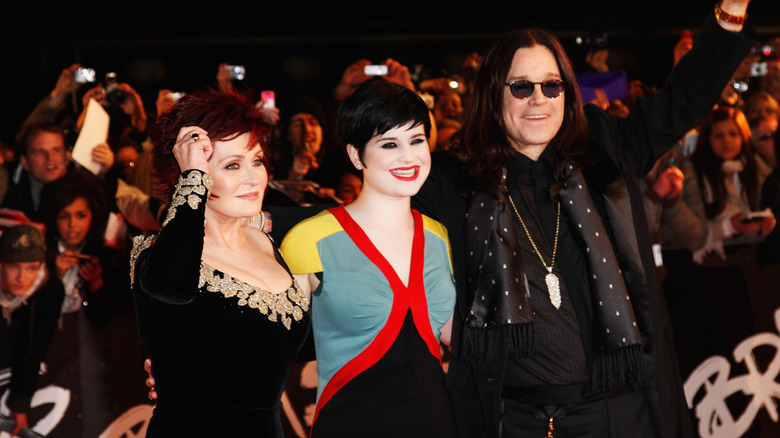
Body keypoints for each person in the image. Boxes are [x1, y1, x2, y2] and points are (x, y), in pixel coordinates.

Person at [408, 2, 757, 437]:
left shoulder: (604, 150)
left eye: (552, 85)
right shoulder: (452, 180)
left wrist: (731, 11)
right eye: (521, 86)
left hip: (619, 414)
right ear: (493, 94)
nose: (539, 99)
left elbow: (684, 100)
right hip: (511, 419)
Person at [280, 78, 457, 437]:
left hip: (439, 423)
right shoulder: (310, 239)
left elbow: (460, 337)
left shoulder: (439, 236)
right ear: (355, 155)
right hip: (348, 423)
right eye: (389, 144)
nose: (409, 157)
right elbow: (269, 348)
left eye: (417, 140)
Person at [131, 88, 310, 437]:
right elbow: (172, 286)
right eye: (232, 165)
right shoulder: (157, 255)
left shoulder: (265, 241)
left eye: (256, 161)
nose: (253, 178)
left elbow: (280, 349)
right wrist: (193, 177)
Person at [0, 224, 65, 437]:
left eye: (31, 268)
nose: (22, 278)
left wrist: (19, 403)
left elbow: (33, 348)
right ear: (1, 264)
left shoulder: (49, 290)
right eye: (14, 267)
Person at [688, 106, 775, 263]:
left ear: (743, 136)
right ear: (707, 138)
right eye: (718, 135)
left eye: (733, 134)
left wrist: (764, 226)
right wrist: (728, 226)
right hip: (706, 259)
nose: (726, 141)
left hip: (750, 257)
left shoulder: (756, 167)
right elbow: (690, 228)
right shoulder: (693, 172)